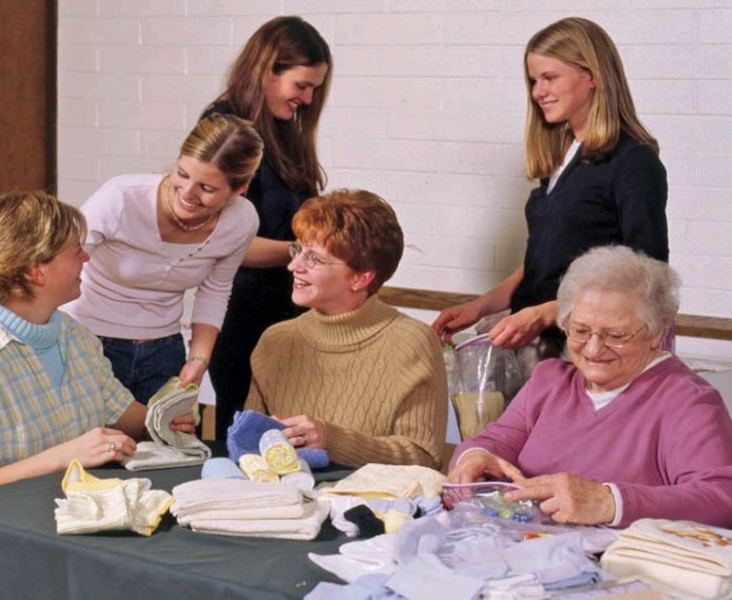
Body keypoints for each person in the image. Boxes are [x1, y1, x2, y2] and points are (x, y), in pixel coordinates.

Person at [447, 246, 732, 531]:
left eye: (615, 335)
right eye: (580, 330)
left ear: (656, 331)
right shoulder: (549, 380)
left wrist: (609, 502)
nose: (593, 349)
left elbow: (725, 500)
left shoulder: (687, 401)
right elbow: (493, 441)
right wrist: (474, 457)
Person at [433, 17, 668, 375]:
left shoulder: (633, 162)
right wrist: (479, 307)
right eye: (533, 81)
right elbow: (542, 267)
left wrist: (545, 313)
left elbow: (648, 277)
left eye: (549, 77)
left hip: (586, 354)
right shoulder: (562, 160)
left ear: (592, 76)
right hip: (537, 347)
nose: (537, 92)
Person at [0, 191, 197, 494]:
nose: (86, 257)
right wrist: (63, 457)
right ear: (36, 272)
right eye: (76, 251)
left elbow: (124, 414)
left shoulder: (76, 337)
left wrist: (166, 421)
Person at [63, 114, 263, 404]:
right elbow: (58, 260)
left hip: (164, 351)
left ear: (239, 190)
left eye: (207, 188)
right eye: (182, 174)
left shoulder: (241, 221)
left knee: (163, 434)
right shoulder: (121, 197)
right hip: (85, 340)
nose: (187, 193)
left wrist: (199, 359)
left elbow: (215, 290)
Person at [244, 190, 448, 469]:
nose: (293, 265)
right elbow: (249, 450)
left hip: (374, 498)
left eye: (313, 258)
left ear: (360, 278)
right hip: (285, 494)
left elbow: (424, 458)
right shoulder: (275, 340)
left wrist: (333, 441)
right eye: (298, 250)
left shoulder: (412, 342)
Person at [200, 15, 333, 440]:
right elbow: (223, 242)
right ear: (266, 70)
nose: (307, 99)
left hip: (288, 318)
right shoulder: (225, 129)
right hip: (243, 320)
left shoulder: (281, 131)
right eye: (301, 86)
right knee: (244, 441)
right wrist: (303, 253)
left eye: (314, 89)